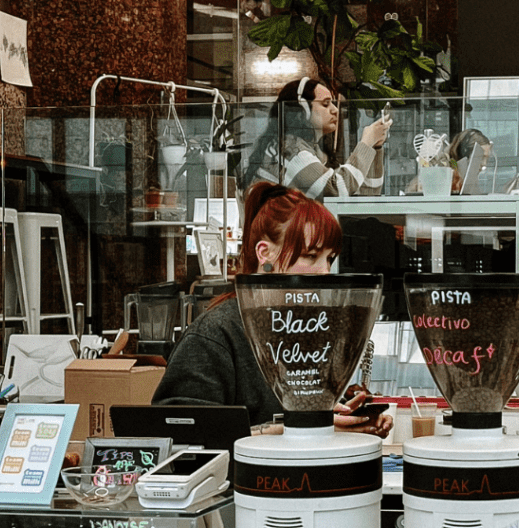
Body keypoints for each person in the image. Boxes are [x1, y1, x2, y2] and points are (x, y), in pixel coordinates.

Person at [153, 182, 393, 437]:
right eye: (310, 256)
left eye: (329, 259)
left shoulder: (312, 326)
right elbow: (177, 432)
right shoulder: (215, 334)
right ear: (264, 253)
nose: (324, 271)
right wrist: (289, 429)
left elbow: (314, 406)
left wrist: (348, 416)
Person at [244, 77, 392, 198]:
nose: (335, 110)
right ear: (303, 110)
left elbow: (368, 194)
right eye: (326, 104)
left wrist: (375, 146)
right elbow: (337, 190)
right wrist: (366, 143)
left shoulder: (309, 150)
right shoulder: (291, 150)